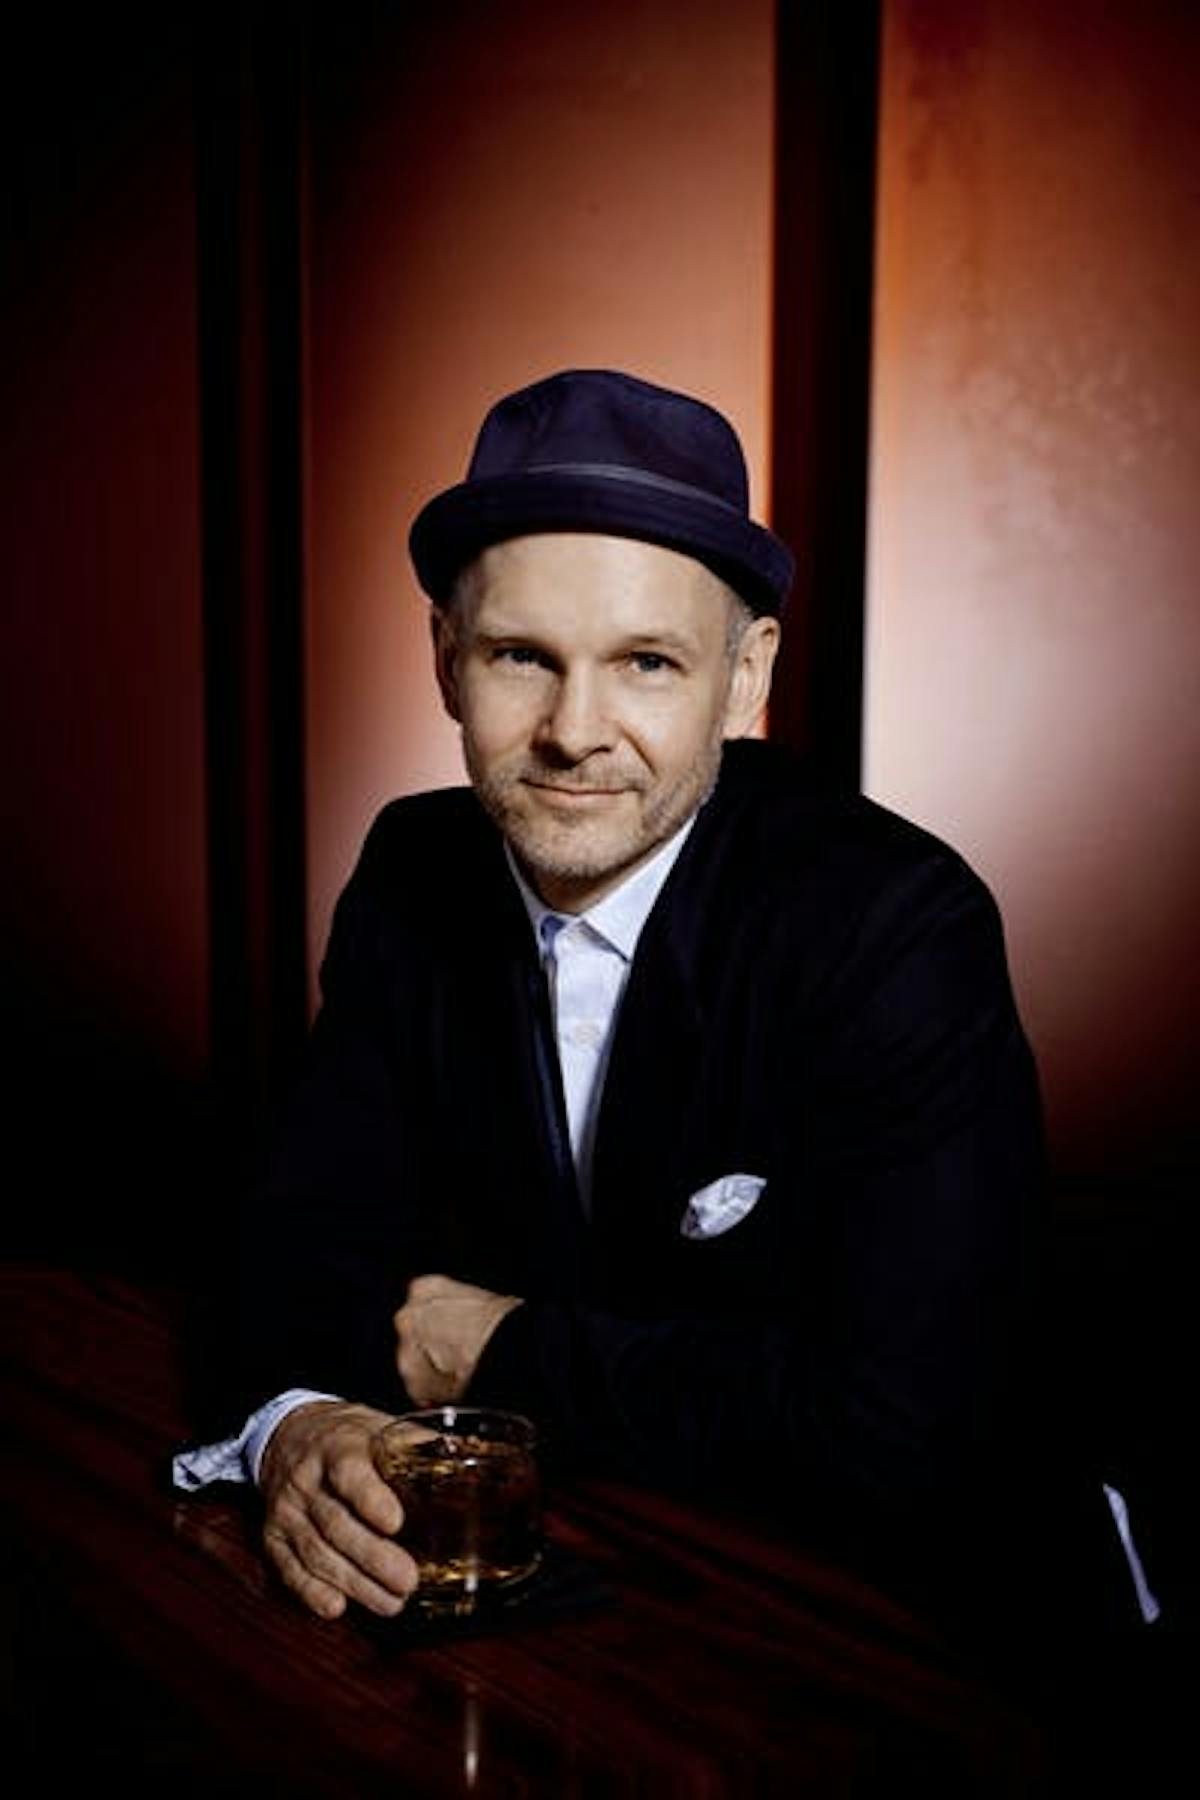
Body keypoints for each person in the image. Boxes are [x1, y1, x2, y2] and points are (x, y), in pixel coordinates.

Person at [175, 369, 1148, 1686]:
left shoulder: (894, 926)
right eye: (523, 655)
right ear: (445, 659)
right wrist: (298, 1423)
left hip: (956, 1644)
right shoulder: (413, 872)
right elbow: (302, 1242)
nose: (578, 733)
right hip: (612, 1615)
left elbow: (900, 1435)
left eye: (646, 662)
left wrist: (500, 1347)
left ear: (746, 681)